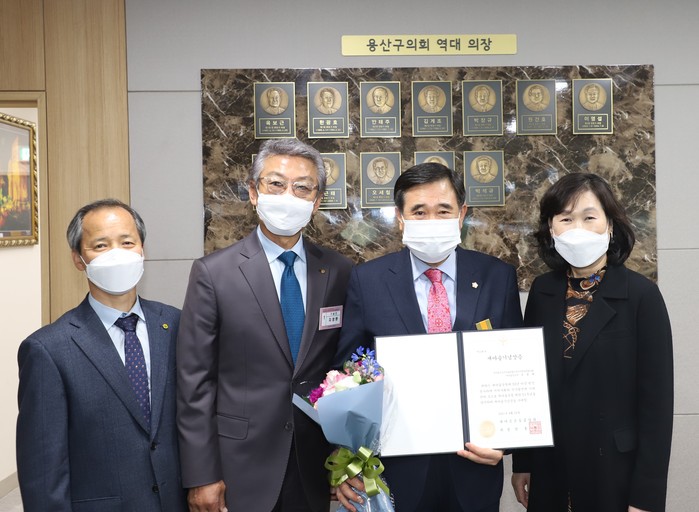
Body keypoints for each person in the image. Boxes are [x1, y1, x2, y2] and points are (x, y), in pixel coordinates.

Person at [177, 138, 353, 512]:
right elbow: (195, 382)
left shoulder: (339, 271)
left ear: (317, 201)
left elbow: (344, 367)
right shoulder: (213, 273)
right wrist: (201, 475)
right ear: (254, 193)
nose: (288, 196)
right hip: (239, 465)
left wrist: (346, 455)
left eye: (302, 187)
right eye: (276, 184)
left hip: (313, 464)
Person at [335, 162, 523, 512]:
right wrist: (348, 460)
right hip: (395, 471)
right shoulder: (368, 280)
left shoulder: (497, 277)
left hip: (474, 469)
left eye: (443, 210)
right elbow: (348, 374)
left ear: (462, 214)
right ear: (400, 218)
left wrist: (507, 442)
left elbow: (515, 370)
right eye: (419, 212)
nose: (432, 220)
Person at [511, 173, 673, 512]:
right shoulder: (542, 291)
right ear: (551, 228)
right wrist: (523, 462)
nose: (578, 229)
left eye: (589, 217)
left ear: (610, 225)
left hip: (614, 469)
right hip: (552, 467)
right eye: (566, 219)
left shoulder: (642, 295)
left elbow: (656, 406)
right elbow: (529, 384)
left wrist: (647, 495)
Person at [16, 199, 186, 512]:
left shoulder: (175, 324)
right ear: (78, 259)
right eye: (100, 245)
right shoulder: (48, 349)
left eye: (127, 242)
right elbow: (43, 470)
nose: (117, 254)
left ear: (142, 249)